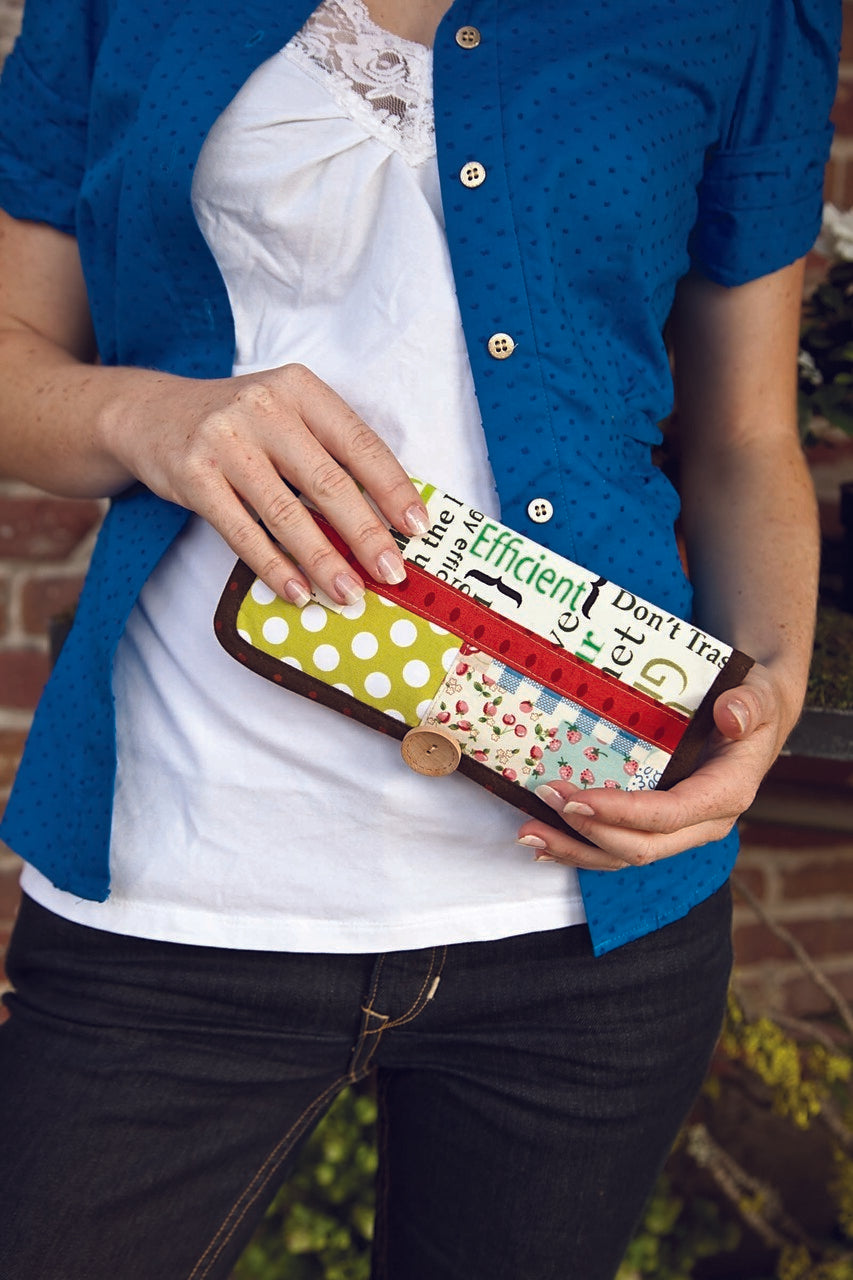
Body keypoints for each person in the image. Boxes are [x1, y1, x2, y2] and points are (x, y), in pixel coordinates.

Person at [0, 1, 840, 1277]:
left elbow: (743, 439)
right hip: (180, 870)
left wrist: (766, 692)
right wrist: (147, 416)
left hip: (594, 921)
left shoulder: (743, 14)